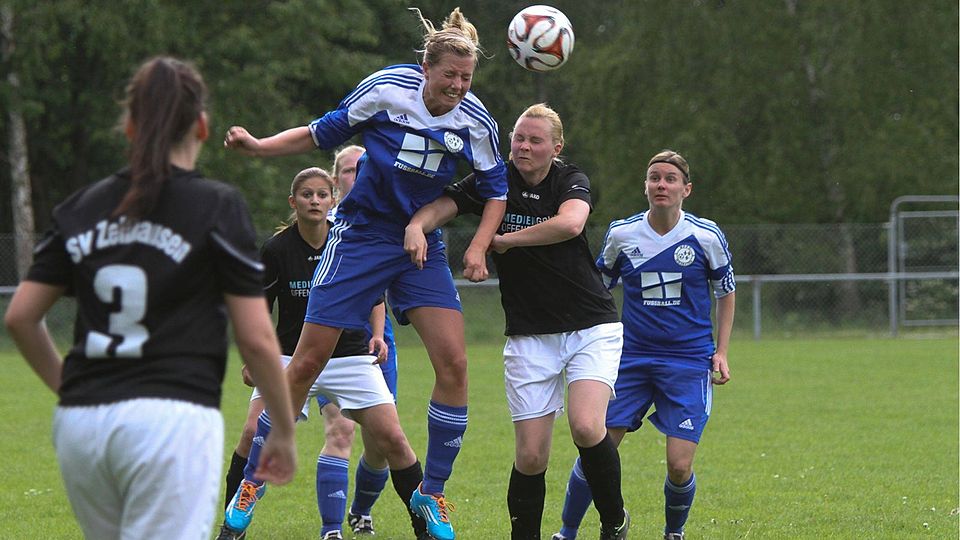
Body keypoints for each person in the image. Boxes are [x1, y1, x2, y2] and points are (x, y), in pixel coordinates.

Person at [223, 7, 508, 540]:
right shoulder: (385, 89)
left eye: (467, 78)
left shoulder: (477, 120)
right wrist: (259, 146)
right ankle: (253, 482)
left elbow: (495, 190)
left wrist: (480, 247)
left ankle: (433, 491)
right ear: (426, 66)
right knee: (305, 362)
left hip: (419, 246)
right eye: (450, 75)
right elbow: (317, 133)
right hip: (360, 239)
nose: (458, 86)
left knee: (456, 364)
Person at [2, 56, 297, 540]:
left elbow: (20, 317)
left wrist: (72, 391)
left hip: (82, 424)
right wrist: (282, 429)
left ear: (130, 127)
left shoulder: (82, 205)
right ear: (202, 126)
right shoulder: (217, 205)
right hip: (170, 418)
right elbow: (258, 339)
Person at [405, 103, 630, 540]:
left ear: (556, 147)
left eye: (535, 140)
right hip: (529, 334)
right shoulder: (496, 178)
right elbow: (448, 203)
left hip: (590, 325)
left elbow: (570, 224)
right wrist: (417, 224)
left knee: (586, 426)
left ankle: (613, 522)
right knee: (530, 457)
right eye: (519, 138)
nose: (524, 146)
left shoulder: (570, 178)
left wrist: (500, 240)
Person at [551, 150, 736, 540]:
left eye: (670, 179)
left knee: (679, 465)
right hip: (629, 358)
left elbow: (726, 291)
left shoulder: (705, 236)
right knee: (596, 449)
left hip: (688, 362)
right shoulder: (622, 234)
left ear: (686, 189)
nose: (661, 185)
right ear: (646, 185)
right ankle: (566, 533)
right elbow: (597, 289)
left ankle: (674, 532)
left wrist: (721, 352)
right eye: (654, 178)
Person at [214, 163, 397, 540]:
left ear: (333, 200)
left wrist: (377, 335)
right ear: (293, 202)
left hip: (346, 355)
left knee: (354, 433)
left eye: (321, 194)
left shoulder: (347, 241)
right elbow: (259, 309)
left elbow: (374, 297)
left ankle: (332, 530)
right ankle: (233, 523)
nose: (314, 200)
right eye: (307, 195)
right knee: (252, 432)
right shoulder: (277, 249)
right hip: (289, 357)